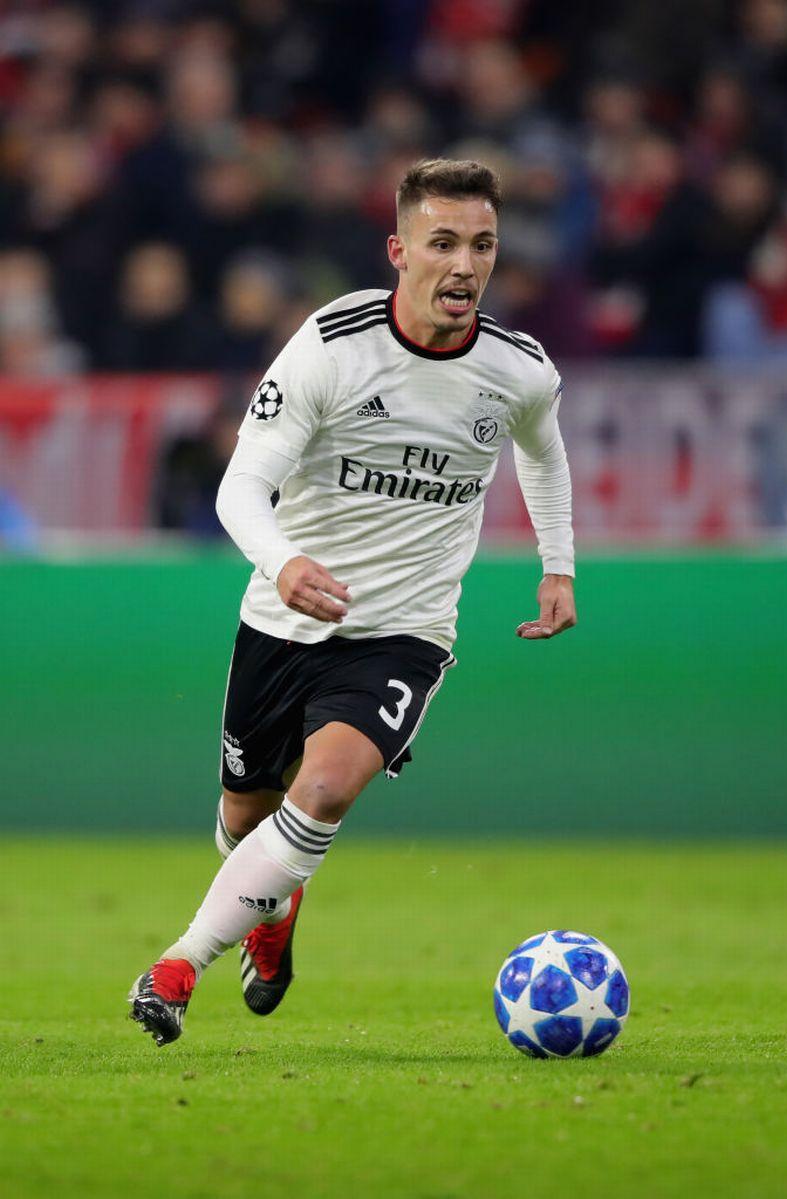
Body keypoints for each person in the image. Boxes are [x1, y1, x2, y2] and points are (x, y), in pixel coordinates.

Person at [128, 158, 577, 1046]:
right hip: (284, 618)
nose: (464, 265)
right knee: (245, 819)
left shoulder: (518, 369)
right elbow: (238, 488)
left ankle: (178, 965)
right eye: (442, 243)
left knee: (326, 787)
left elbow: (543, 451)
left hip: (403, 632)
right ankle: (274, 907)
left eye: (482, 245)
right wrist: (283, 562)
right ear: (399, 251)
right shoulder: (332, 346)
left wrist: (557, 564)